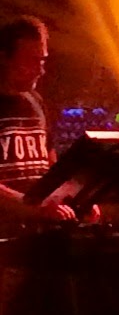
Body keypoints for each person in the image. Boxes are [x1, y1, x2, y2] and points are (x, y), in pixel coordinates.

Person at [0, 16, 75, 223]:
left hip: (37, 233)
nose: (40, 70)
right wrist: (33, 207)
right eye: (31, 60)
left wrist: (76, 201)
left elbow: (52, 169)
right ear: (4, 57)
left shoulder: (36, 102)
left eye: (42, 60)